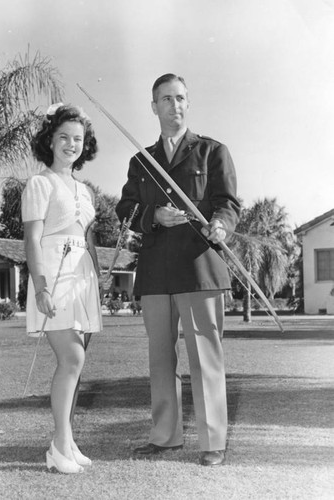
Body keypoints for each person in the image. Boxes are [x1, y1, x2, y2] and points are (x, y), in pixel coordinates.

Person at [116, 74, 240, 466]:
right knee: (160, 359)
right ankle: (165, 437)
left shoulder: (212, 151)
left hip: (200, 267)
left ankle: (212, 443)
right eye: (166, 99)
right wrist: (155, 215)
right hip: (155, 272)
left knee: (206, 356)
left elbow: (229, 203)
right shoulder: (141, 161)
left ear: (189, 103)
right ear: (154, 107)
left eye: (181, 98)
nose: (175, 106)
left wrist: (221, 224)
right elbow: (127, 210)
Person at [21, 103, 102, 474]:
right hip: (52, 275)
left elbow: (86, 238)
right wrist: (40, 287)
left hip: (81, 275)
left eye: (78, 139)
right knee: (72, 359)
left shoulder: (84, 190)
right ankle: (58, 445)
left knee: (75, 364)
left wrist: (96, 278)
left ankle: (67, 441)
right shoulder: (39, 184)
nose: (71, 144)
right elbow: (32, 240)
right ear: (49, 141)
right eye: (64, 137)